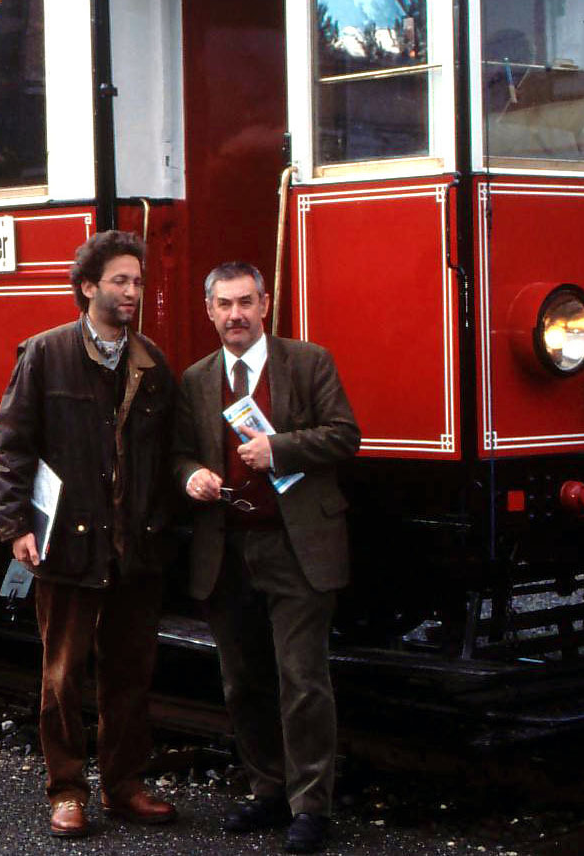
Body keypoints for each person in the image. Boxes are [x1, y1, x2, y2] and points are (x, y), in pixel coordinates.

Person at [0, 230, 177, 838]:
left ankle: (124, 787)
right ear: (88, 287)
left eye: (137, 282)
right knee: (62, 676)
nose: (132, 292)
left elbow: (166, 454)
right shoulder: (45, 354)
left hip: (133, 547)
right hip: (68, 542)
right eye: (120, 281)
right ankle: (67, 791)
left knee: (129, 676)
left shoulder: (151, 362)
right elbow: (10, 445)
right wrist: (15, 525)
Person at [173, 261, 360, 855]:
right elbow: (178, 454)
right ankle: (268, 790)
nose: (236, 315)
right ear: (209, 311)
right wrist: (192, 477)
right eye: (225, 304)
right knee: (242, 682)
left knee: (302, 680)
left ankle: (311, 808)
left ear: (266, 304)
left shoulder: (309, 362)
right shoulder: (196, 379)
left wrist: (278, 449)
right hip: (227, 549)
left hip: (296, 546)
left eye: (246, 302)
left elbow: (345, 435)